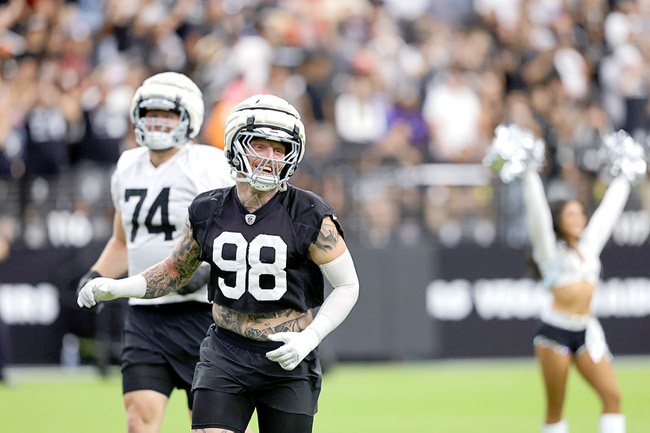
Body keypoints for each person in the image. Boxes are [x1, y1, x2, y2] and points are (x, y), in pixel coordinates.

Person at [78, 94, 360, 433]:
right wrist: (118, 287)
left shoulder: (310, 214)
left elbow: (348, 285)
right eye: (260, 145)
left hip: (289, 357)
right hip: (225, 352)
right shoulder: (207, 209)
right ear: (236, 145)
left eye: (279, 149)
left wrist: (312, 337)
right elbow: (173, 272)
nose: (270, 158)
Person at [76, 71, 239, 433]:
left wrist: (207, 270)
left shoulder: (208, 164)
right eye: (151, 113)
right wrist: (97, 275)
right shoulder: (127, 165)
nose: (157, 121)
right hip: (146, 315)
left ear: (189, 117)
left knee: (211, 426)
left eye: (168, 114)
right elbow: (123, 240)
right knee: (138, 420)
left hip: (204, 314)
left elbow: (238, 232)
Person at [488, 126, 639, 433]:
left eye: (580, 214)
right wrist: (529, 173)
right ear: (560, 222)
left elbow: (608, 213)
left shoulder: (589, 246)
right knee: (555, 408)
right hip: (555, 332)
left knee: (612, 396)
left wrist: (624, 176)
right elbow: (538, 213)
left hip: (587, 330)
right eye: (571, 215)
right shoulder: (548, 252)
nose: (579, 219)